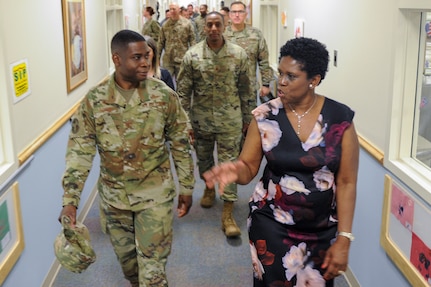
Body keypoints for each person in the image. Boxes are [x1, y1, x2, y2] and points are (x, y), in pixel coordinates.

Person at [203, 37, 359, 286]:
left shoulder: (340, 119)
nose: (282, 82)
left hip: (321, 228)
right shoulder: (265, 116)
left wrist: (345, 237)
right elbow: (248, 168)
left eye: (291, 76)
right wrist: (235, 170)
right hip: (272, 224)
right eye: (280, 73)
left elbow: (348, 181)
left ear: (314, 80)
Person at [58, 30, 195, 287]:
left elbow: (180, 143)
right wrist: (71, 200)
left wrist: (187, 187)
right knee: (129, 265)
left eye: (147, 56)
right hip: (114, 200)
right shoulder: (95, 101)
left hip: (155, 195)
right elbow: (79, 152)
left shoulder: (163, 95)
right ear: (117, 60)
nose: (145, 62)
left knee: (153, 272)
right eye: (137, 57)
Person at [176, 12, 253, 238]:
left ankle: (227, 214)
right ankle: (209, 187)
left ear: (224, 25)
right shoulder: (192, 56)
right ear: (204, 27)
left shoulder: (238, 55)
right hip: (201, 121)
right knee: (205, 160)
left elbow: (246, 90)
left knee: (230, 164)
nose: (213, 28)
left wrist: (248, 120)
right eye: (209, 24)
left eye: (217, 24)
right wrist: (185, 122)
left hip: (231, 120)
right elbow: (183, 93)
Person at [224, 1, 273, 108]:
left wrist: (266, 84)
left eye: (240, 12)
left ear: (246, 14)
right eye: (234, 12)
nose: (237, 15)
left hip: (249, 88)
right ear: (229, 15)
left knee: (249, 121)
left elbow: (263, 61)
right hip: (225, 88)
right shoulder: (222, 35)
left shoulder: (255, 34)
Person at [157, 2, 196, 79]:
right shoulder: (165, 25)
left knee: (182, 84)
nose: (172, 11)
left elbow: (192, 41)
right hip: (168, 60)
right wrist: (157, 58)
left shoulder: (187, 24)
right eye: (170, 9)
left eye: (174, 9)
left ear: (179, 10)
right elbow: (160, 43)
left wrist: (193, 57)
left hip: (182, 59)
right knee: (167, 82)